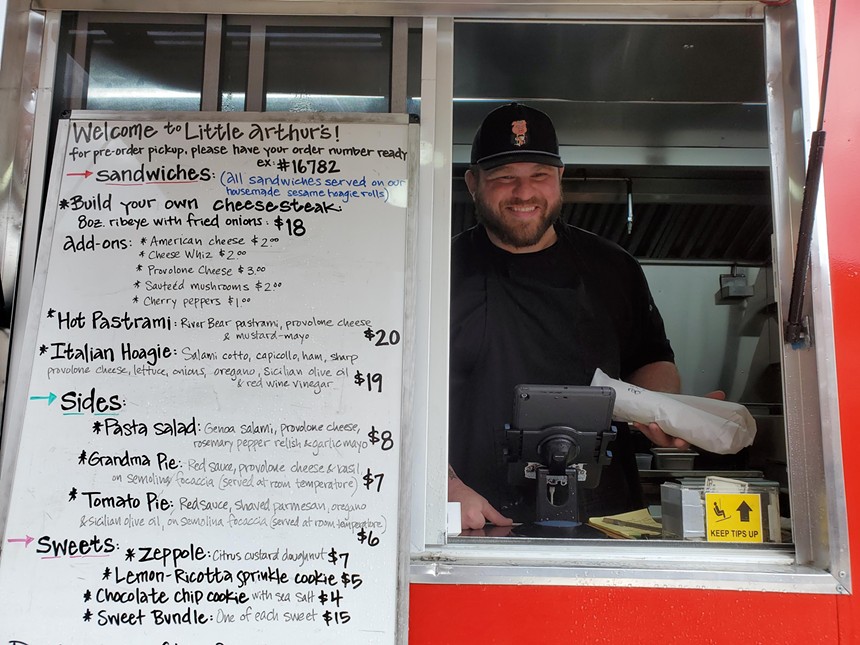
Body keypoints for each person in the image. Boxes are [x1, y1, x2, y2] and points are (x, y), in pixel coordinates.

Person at [448, 103, 691, 530]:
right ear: (473, 183)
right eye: (505, 177)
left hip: (604, 517)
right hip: (475, 516)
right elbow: (392, 399)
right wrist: (442, 483)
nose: (524, 193)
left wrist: (665, 411)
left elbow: (651, 359)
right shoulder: (437, 269)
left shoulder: (613, 268)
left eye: (539, 175)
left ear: (559, 178)